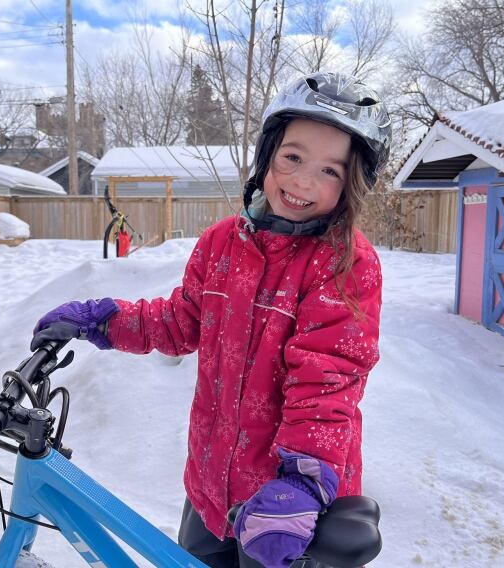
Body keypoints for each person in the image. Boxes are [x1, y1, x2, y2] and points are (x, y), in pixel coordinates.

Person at [31, 72, 391, 568]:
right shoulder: (223, 242)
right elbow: (183, 321)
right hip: (211, 489)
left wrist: (305, 481)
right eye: (293, 157)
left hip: (288, 507)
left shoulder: (345, 263)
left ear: (351, 185)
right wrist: (103, 320)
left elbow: (327, 380)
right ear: (268, 154)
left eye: (331, 171)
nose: (304, 180)